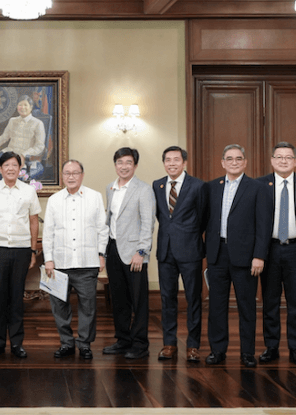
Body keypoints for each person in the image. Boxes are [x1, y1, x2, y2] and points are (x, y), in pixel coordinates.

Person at [204, 144, 272, 367]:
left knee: (246, 307)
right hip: (217, 254)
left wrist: (259, 255)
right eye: (229, 158)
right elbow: (204, 221)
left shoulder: (257, 187)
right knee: (216, 306)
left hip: (246, 257)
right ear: (222, 162)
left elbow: (264, 225)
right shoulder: (211, 187)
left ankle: (247, 353)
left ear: (245, 162)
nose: (234, 162)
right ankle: (217, 350)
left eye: (238, 158)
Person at [257, 142, 296, 366]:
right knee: (270, 302)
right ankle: (271, 347)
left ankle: (295, 348)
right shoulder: (260, 184)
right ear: (272, 160)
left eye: (288, 157)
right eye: (279, 157)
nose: (284, 160)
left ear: (295, 161)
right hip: (270, 250)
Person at [0, 151, 41, 358]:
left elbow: (33, 221)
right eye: (7, 165)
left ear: (20, 168)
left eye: (15, 165)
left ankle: (16, 343)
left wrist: (33, 251)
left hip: (22, 250)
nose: (11, 169)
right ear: (0, 169)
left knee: (16, 298)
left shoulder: (29, 191)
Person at [43, 159, 109, 359]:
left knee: (88, 306)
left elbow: (102, 229)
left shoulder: (95, 197)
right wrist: (48, 259)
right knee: (59, 306)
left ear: (82, 175)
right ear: (62, 176)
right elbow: (48, 233)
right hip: (59, 264)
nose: (71, 176)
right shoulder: (54, 200)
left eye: (75, 173)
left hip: (86, 262)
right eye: (67, 173)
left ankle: (85, 344)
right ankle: (66, 343)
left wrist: (101, 254)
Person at [152, 146, 208, 362]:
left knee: (193, 298)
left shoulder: (198, 186)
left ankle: (193, 346)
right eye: (168, 160)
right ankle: (169, 344)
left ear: (184, 162)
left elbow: (203, 217)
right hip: (165, 251)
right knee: (167, 299)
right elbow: (161, 216)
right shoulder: (157, 185)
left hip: (190, 250)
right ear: (164, 163)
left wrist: (187, 235)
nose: (172, 163)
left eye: (176, 159)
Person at [103, 147, 155, 360]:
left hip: (134, 253)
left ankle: (140, 343)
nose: (123, 166)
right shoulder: (110, 188)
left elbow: (148, 223)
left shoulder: (143, 189)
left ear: (134, 165)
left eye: (128, 162)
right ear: (115, 164)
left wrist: (141, 252)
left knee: (138, 300)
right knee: (119, 299)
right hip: (113, 249)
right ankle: (123, 340)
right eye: (119, 162)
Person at [0, 96, 46, 179]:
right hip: (9, 153)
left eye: (25, 105)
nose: (22, 107)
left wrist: (24, 154)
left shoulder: (38, 123)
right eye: (20, 105)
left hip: (26, 159)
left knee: (10, 167)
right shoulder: (13, 121)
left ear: (31, 107)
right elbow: (4, 137)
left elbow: (39, 146)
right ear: (17, 107)